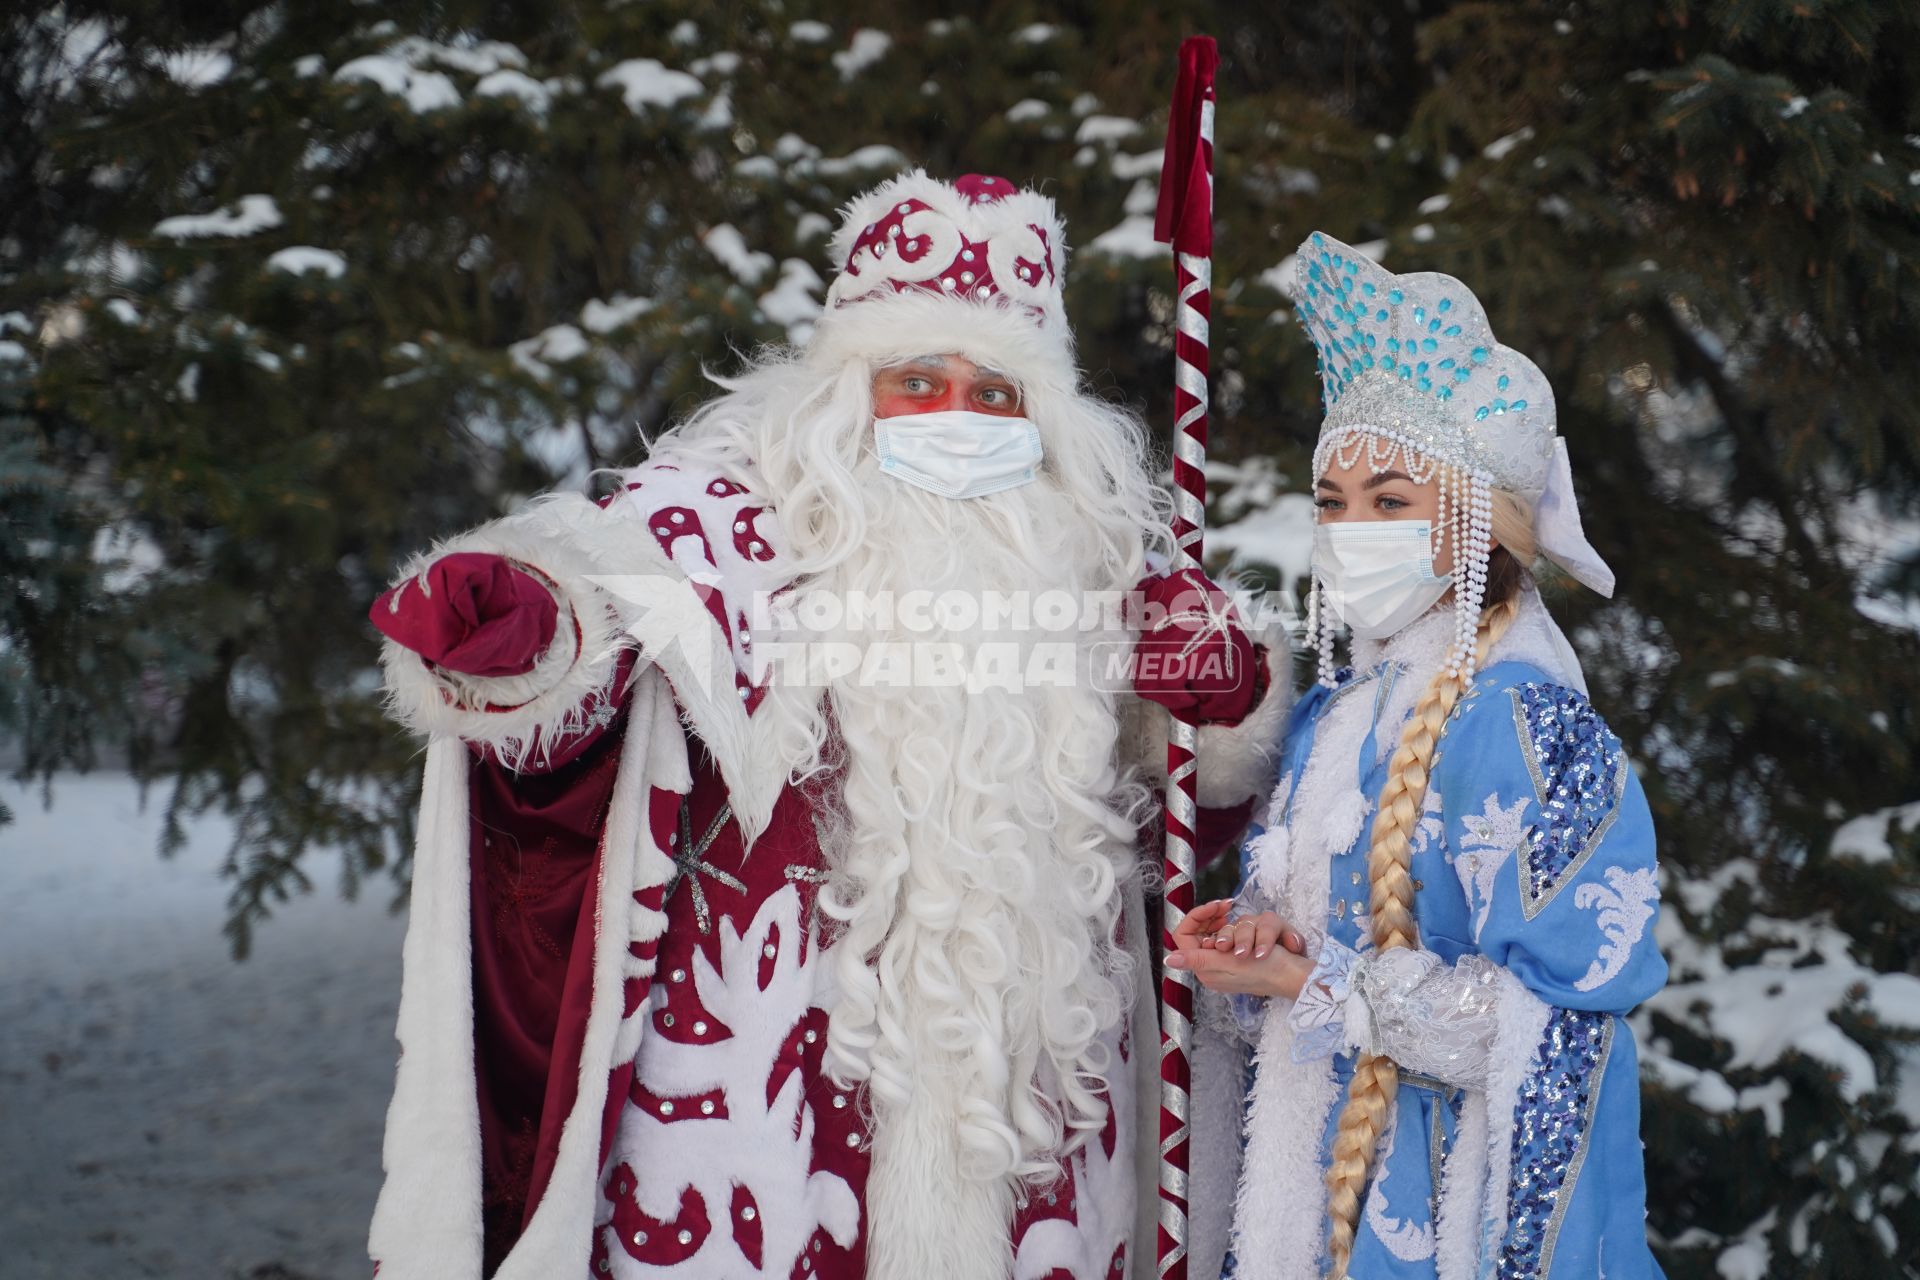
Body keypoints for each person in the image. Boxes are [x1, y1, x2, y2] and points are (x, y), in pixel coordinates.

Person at [363, 170, 1289, 1280]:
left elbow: (1175, 839)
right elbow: (593, 648)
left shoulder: (1090, 573)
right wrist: (523, 625)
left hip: (1039, 1143)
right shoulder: (722, 531)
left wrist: (1222, 701)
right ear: (846, 396)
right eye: (917, 379)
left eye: (996, 395)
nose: (958, 415)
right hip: (768, 1138)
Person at [1168, 232, 1666, 1279]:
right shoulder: (1330, 721)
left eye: (1391, 501)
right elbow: (1305, 972)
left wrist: (1325, 979)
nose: (1353, 529)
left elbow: (1554, 1026)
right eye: (1334, 502)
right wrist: (1256, 954)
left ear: (1476, 521)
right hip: (1304, 1216)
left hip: (1436, 1219)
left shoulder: (1534, 733)